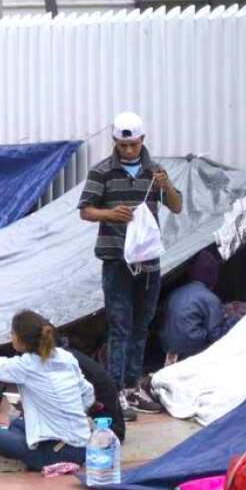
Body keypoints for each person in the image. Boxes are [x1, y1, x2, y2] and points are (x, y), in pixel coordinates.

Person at [78, 111, 182, 415]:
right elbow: (85, 210)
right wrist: (110, 214)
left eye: (133, 145)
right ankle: (114, 391)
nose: (127, 151)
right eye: (122, 146)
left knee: (141, 324)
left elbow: (176, 206)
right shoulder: (102, 172)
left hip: (148, 262)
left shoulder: (155, 172)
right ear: (114, 142)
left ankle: (132, 386)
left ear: (142, 141)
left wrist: (167, 187)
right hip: (116, 260)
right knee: (119, 325)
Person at [0, 310, 93, 472]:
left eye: (12, 333)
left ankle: (23, 462)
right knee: (16, 423)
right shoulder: (66, 357)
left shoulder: (27, 365)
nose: (10, 337)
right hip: (82, 446)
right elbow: (88, 394)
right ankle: (23, 453)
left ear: (21, 340)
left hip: (58, 453)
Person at [160, 249, 226, 361]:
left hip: (167, 347)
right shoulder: (211, 299)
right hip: (192, 349)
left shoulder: (175, 292)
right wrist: (229, 320)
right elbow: (215, 335)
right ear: (213, 277)